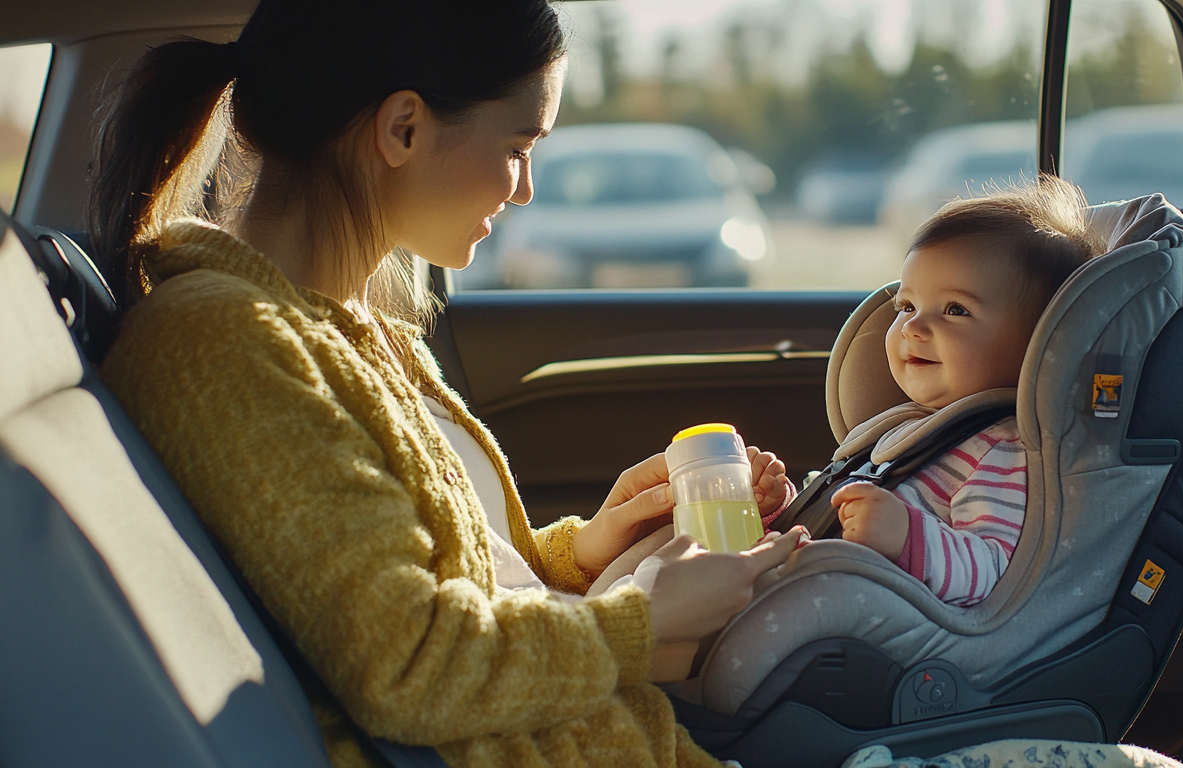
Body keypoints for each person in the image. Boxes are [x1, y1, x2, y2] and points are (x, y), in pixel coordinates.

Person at [89, 1, 803, 766]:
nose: (525, 188)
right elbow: (410, 663)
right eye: (518, 146)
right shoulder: (224, 346)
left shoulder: (368, 338)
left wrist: (583, 552)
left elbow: (457, 572)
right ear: (403, 128)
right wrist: (643, 622)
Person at [769, 177, 1104, 607]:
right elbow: (842, 520)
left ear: (1038, 344)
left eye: (955, 310)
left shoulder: (1003, 451)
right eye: (907, 306)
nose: (912, 327)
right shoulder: (908, 428)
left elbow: (990, 571)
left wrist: (906, 536)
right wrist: (783, 512)